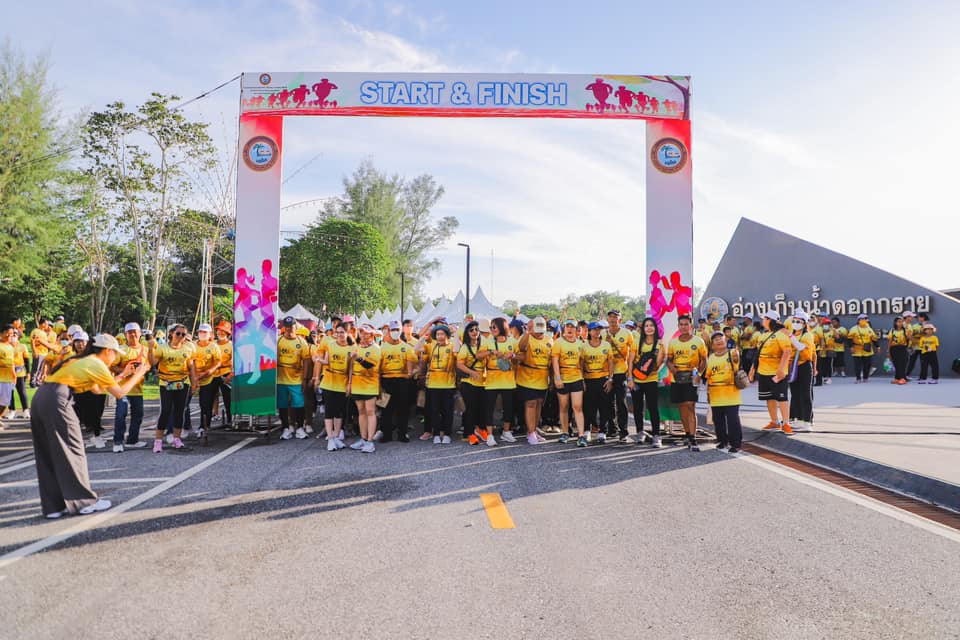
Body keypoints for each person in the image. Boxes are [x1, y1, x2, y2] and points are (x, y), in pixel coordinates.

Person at [31, 333, 151, 518]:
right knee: (74, 449)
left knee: (47, 452)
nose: (115, 358)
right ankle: (84, 502)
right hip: (58, 399)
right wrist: (139, 374)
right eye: (115, 354)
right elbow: (119, 393)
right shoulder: (96, 363)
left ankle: (54, 506)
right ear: (107, 351)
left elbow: (97, 389)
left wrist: (124, 375)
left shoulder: (82, 361)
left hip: (42, 397)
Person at [147, 323, 195, 452]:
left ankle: (177, 439)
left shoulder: (189, 348)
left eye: (183, 334)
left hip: (183, 382)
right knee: (166, 410)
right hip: (166, 382)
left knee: (180, 411)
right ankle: (158, 441)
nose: (180, 336)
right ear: (171, 334)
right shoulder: (162, 348)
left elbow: (191, 366)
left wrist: (194, 383)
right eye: (178, 333)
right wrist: (150, 349)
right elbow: (153, 363)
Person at [666, 315, 708, 450]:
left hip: (691, 378)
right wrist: (672, 368)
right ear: (678, 326)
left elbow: (704, 360)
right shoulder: (673, 343)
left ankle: (693, 438)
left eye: (686, 324)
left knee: (690, 406)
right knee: (682, 407)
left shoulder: (698, 341)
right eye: (681, 324)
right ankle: (687, 434)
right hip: (677, 378)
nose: (684, 327)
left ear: (691, 326)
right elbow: (669, 360)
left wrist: (699, 375)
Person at [749, 310, 794, 435]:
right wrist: (752, 369)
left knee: (782, 398)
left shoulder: (781, 335)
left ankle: (786, 423)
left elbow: (787, 352)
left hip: (777, 373)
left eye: (765, 318)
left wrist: (781, 369)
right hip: (763, 372)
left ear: (770, 320)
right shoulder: (763, 336)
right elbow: (758, 354)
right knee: (769, 397)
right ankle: (774, 421)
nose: (763, 321)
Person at [314, 324, 354, 451]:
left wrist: (349, 384)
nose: (340, 335)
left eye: (342, 332)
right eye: (338, 332)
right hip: (329, 382)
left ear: (347, 333)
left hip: (342, 383)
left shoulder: (352, 348)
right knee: (329, 411)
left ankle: (336, 437)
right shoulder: (330, 345)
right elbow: (327, 361)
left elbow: (351, 369)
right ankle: (330, 438)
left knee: (339, 412)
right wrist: (318, 360)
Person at [110, 323, 149, 452]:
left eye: (135, 332)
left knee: (138, 415)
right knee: (121, 415)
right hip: (123, 389)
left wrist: (143, 370)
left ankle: (133, 440)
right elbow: (113, 366)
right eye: (130, 332)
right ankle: (118, 441)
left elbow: (149, 365)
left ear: (140, 333)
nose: (133, 334)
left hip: (138, 388)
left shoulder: (145, 349)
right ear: (126, 334)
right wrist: (126, 371)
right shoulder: (121, 349)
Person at [629, 317, 666, 447]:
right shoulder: (636, 342)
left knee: (653, 408)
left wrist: (659, 351)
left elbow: (658, 364)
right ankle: (640, 432)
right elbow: (630, 361)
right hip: (636, 380)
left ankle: (657, 435)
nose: (649, 328)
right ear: (643, 328)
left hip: (651, 380)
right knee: (637, 408)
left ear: (655, 328)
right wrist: (630, 379)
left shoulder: (660, 344)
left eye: (651, 325)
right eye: (646, 326)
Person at [482, 317, 520, 443]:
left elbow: (523, 356)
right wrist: (490, 352)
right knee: (489, 408)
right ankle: (489, 435)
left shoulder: (512, 341)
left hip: (508, 381)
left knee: (508, 408)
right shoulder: (488, 341)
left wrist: (513, 355)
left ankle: (506, 432)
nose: (492, 329)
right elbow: (478, 355)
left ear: (502, 327)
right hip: (491, 380)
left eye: (494, 327)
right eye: (490, 327)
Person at [705, 331, 743, 453]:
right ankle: (722, 441)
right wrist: (708, 393)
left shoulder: (732, 353)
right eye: (715, 339)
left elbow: (737, 358)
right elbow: (708, 376)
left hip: (731, 394)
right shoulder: (710, 358)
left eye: (721, 338)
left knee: (733, 421)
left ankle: (735, 444)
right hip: (715, 394)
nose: (719, 341)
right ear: (712, 344)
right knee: (718, 420)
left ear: (725, 340)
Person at [516, 317, 553, 443]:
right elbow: (521, 348)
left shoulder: (549, 340)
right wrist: (528, 332)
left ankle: (533, 430)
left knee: (538, 404)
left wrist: (552, 379)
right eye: (537, 330)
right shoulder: (527, 337)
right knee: (530, 403)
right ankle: (531, 433)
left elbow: (551, 361)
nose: (539, 333)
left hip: (542, 378)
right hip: (527, 377)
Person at [420, 324, 458, 444]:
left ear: (447, 335)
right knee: (434, 411)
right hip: (432, 385)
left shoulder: (452, 346)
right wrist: (424, 337)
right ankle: (436, 434)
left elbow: (458, 350)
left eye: (442, 334)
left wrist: (455, 333)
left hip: (448, 385)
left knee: (447, 411)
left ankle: (447, 434)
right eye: (437, 334)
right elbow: (417, 349)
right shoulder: (431, 346)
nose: (440, 336)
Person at [551, 319, 587, 447]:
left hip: (576, 378)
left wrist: (583, 379)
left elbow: (581, 363)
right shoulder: (558, 343)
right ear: (564, 328)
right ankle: (565, 432)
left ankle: (581, 435)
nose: (570, 329)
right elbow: (555, 361)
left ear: (576, 330)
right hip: (563, 378)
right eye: (568, 327)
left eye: (572, 327)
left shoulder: (580, 344)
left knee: (577, 407)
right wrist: (557, 378)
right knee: (564, 406)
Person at [346, 324, 382, 453]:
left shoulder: (376, 348)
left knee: (370, 411)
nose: (363, 335)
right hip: (357, 384)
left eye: (366, 333)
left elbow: (371, 367)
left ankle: (370, 441)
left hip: (370, 383)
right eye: (361, 332)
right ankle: (363, 438)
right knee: (361, 411)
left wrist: (359, 359)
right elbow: (351, 366)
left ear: (371, 334)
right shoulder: (357, 347)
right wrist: (349, 383)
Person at [380, 320, 416, 443]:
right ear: (389, 331)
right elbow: (378, 366)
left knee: (403, 408)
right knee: (386, 408)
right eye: (393, 330)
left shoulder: (406, 347)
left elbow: (412, 361)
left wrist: (411, 372)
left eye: (397, 330)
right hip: (386, 380)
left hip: (402, 380)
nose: (395, 332)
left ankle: (402, 433)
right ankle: (386, 434)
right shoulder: (382, 347)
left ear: (401, 331)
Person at [458, 320, 492, 446]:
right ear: (467, 333)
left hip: (482, 382)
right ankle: (469, 433)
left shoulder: (484, 345)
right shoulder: (465, 347)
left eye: (476, 329)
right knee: (470, 408)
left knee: (482, 408)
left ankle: (480, 429)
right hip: (468, 382)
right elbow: (459, 364)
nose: (474, 332)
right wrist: (471, 372)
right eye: (471, 330)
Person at [276, 316, 310, 440]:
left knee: (299, 403)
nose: (289, 329)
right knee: (282, 404)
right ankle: (286, 428)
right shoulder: (278, 341)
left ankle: (300, 428)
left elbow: (306, 361)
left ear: (296, 326)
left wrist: (305, 379)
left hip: (296, 379)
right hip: (280, 378)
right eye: (287, 326)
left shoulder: (301, 342)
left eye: (291, 326)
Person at [582, 321, 615, 443]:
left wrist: (610, 379)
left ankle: (602, 432)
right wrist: (582, 380)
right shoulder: (584, 346)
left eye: (599, 329)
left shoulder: (606, 345)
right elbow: (581, 364)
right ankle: (587, 430)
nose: (597, 332)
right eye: (594, 329)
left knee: (604, 407)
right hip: (589, 379)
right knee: (588, 407)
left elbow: (611, 363)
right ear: (589, 332)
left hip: (603, 379)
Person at [604, 310, 634, 442]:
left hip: (621, 372)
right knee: (608, 402)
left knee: (621, 402)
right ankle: (612, 429)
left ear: (620, 320)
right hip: (606, 373)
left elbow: (633, 353)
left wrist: (630, 373)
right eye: (610, 317)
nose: (612, 320)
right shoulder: (603, 334)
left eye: (615, 317)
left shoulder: (627, 333)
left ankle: (624, 431)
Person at [190, 323, 222, 442]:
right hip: (193, 377)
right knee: (185, 404)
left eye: (205, 332)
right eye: (200, 332)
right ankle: (183, 427)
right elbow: (189, 360)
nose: (202, 334)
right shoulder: (192, 345)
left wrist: (209, 371)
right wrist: (194, 376)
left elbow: (218, 362)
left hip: (209, 378)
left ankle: (204, 426)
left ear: (210, 334)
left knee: (206, 404)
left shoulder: (214, 346)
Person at [788, 311, 816, 432]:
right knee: (795, 394)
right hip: (793, 367)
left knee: (805, 394)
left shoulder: (807, 335)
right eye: (794, 321)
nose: (795, 323)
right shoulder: (793, 334)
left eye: (798, 321)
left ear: (804, 324)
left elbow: (800, 347)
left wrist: (790, 337)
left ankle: (807, 421)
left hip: (804, 366)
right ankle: (798, 419)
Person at [848, 314, 878, 383]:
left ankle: (865, 377)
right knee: (857, 365)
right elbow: (849, 339)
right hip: (857, 349)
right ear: (858, 320)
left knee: (867, 365)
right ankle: (858, 378)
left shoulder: (869, 328)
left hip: (867, 349)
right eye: (862, 319)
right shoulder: (854, 329)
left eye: (865, 319)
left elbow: (874, 339)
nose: (864, 320)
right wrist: (851, 347)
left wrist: (878, 346)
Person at [214, 321, 234, 426]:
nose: (221, 333)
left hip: (226, 375)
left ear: (228, 333)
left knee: (228, 399)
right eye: (219, 330)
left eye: (223, 331)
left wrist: (230, 375)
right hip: (212, 375)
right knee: (210, 399)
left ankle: (230, 420)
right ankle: (206, 423)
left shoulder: (231, 345)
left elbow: (234, 362)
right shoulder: (212, 344)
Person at [8, 328, 30, 419]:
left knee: (22, 392)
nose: (13, 336)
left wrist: (28, 372)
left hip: (20, 372)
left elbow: (26, 360)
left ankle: (25, 411)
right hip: (8, 373)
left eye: (15, 334)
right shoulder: (5, 346)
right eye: (11, 334)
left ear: (18, 336)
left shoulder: (22, 346)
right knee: (9, 393)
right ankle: (12, 411)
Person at [30, 318, 57, 387]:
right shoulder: (36, 331)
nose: (47, 325)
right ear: (43, 324)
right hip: (38, 352)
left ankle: (37, 381)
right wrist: (34, 351)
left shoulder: (44, 332)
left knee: (41, 369)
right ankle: (33, 382)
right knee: (36, 368)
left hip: (44, 353)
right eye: (47, 324)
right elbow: (32, 341)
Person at [0, 325, 16, 423]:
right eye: (8, 333)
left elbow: (12, 363)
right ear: (1, 333)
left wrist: (14, 375)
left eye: (12, 334)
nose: (9, 335)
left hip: (8, 378)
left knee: (5, 402)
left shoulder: (10, 347)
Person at [886, 316, 909, 385]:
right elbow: (890, 341)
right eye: (899, 322)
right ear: (895, 323)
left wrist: (908, 331)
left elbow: (910, 338)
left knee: (902, 364)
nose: (900, 323)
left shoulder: (905, 330)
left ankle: (903, 378)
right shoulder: (892, 330)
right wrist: (888, 351)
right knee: (896, 364)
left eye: (902, 322)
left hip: (902, 348)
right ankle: (897, 378)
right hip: (894, 349)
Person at [904, 311, 923, 379]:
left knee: (906, 361)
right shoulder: (904, 325)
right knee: (904, 362)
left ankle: (904, 376)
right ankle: (902, 377)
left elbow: (910, 336)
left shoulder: (909, 325)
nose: (912, 318)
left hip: (909, 346)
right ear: (907, 317)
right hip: (904, 346)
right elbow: (908, 336)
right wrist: (916, 341)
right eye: (911, 316)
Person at [820, 318, 836, 384]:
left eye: (828, 324)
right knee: (822, 364)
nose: (826, 325)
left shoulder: (832, 331)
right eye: (825, 324)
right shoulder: (820, 331)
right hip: (822, 350)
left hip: (830, 350)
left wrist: (834, 330)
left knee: (829, 364)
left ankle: (829, 378)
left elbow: (837, 337)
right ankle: (824, 377)